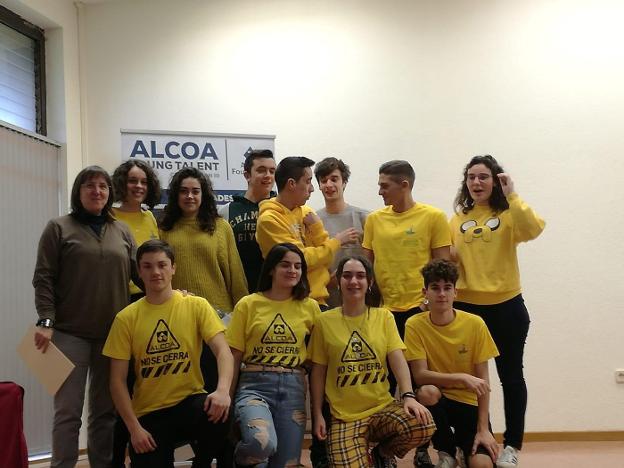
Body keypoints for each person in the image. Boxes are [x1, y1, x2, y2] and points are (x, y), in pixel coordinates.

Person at [33, 165, 136, 467]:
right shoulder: (58, 227)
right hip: (68, 334)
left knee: (105, 413)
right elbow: (43, 277)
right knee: (68, 413)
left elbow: (141, 274)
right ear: (78, 192)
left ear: (110, 192)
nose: (97, 191)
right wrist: (46, 321)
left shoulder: (122, 231)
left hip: (113, 336)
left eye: (103, 186)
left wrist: (172, 293)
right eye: (89, 186)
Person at [449, 155, 545, 468]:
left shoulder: (508, 213)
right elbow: (448, 257)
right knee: (472, 380)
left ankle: (512, 446)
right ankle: (480, 440)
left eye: (484, 177)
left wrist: (513, 194)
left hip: (507, 307)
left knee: (511, 377)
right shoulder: (457, 218)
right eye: (471, 177)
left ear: (495, 181)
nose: (477, 183)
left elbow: (533, 230)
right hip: (466, 308)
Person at [103, 239, 234, 468]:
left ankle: (200, 464)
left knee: (219, 414)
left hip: (189, 403)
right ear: (139, 271)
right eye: (148, 266)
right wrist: (134, 429)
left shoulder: (196, 305)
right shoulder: (125, 318)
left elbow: (223, 351)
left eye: (162, 265)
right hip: (149, 415)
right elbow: (116, 381)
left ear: (173, 268)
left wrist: (223, 391)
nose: (156, 272)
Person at [309, 256, 436, 468]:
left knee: (423, 424)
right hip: (344, 418)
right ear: (339, 281)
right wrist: (317, 416)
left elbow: (398, 361)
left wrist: (408, 397)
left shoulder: (384, 317)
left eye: (360, 276)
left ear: (370, 282)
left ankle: (382, 453)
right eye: (347, 276)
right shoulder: (323, 322)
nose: (354, 281)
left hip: (381, 409)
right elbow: (318, 373)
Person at [160, 167, 247, 467]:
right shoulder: (164, 229)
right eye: (184, 191)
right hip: (179, 323)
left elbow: (234, 273)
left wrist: (241, 317)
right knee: (186, 395)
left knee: (217, 391)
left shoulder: (219, 227)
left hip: (219, 321)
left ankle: (217, 457)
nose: (189, 196)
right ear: (175, 195)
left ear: (204, 194)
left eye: (195, 191)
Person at [226, 243, 320, 467]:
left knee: (286, 463)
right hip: (254, 386)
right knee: (262, 444)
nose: (292, 271)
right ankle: (236, 460)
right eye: (285, 265)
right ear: (271, 269)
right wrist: (227, 399)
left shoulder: (311, 307)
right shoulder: (248, 304)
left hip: (293, 390)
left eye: (298, 266)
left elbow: (318, 361)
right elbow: (234, 356)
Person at [405, 259, 499, 468]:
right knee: (426, 392)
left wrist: (483, 429)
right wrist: (461, 377)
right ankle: (446, 451)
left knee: (482, 465)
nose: (441, 294)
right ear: (425, 292)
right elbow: (420, 375)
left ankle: (467, 450)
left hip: (469, 404)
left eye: (447, 288)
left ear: (455, 292)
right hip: (439, 399)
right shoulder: (414, 324)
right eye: (435, 288)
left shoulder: (475, 324)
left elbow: (483, 382)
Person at [256, 156, 359, 307]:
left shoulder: (306, 212)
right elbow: (300, 260)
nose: (312, 188)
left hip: (319, 299)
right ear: (291, 184)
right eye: (308, 181)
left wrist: (317, 229)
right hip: (292, 301)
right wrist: (337, 241)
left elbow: (326, 259)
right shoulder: (269, 220)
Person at [110, 159, 161, 467]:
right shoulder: (111, 217)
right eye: (132, 181)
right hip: (123, 304)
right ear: (121, 184)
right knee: (124, 386)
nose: (138, 186)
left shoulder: (150, 218)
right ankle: (117, 458)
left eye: (143, 181)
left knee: (146, 382)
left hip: (151, 301)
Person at [314, 157, 369, 308]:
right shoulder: (312, 221)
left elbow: (372, 260)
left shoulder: (364, 218)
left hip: (359, 301)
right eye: (324, 180)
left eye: (334, 179)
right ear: (318, 185)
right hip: (325, 301)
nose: (329, 185)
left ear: (344, 182)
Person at [219, 149, 276, 291]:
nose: (268, 176)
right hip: (238, 291)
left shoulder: (282, 208)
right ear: (247, 175)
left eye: (272, 171)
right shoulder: (226, 210)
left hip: (275, 292)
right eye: (261, 170)